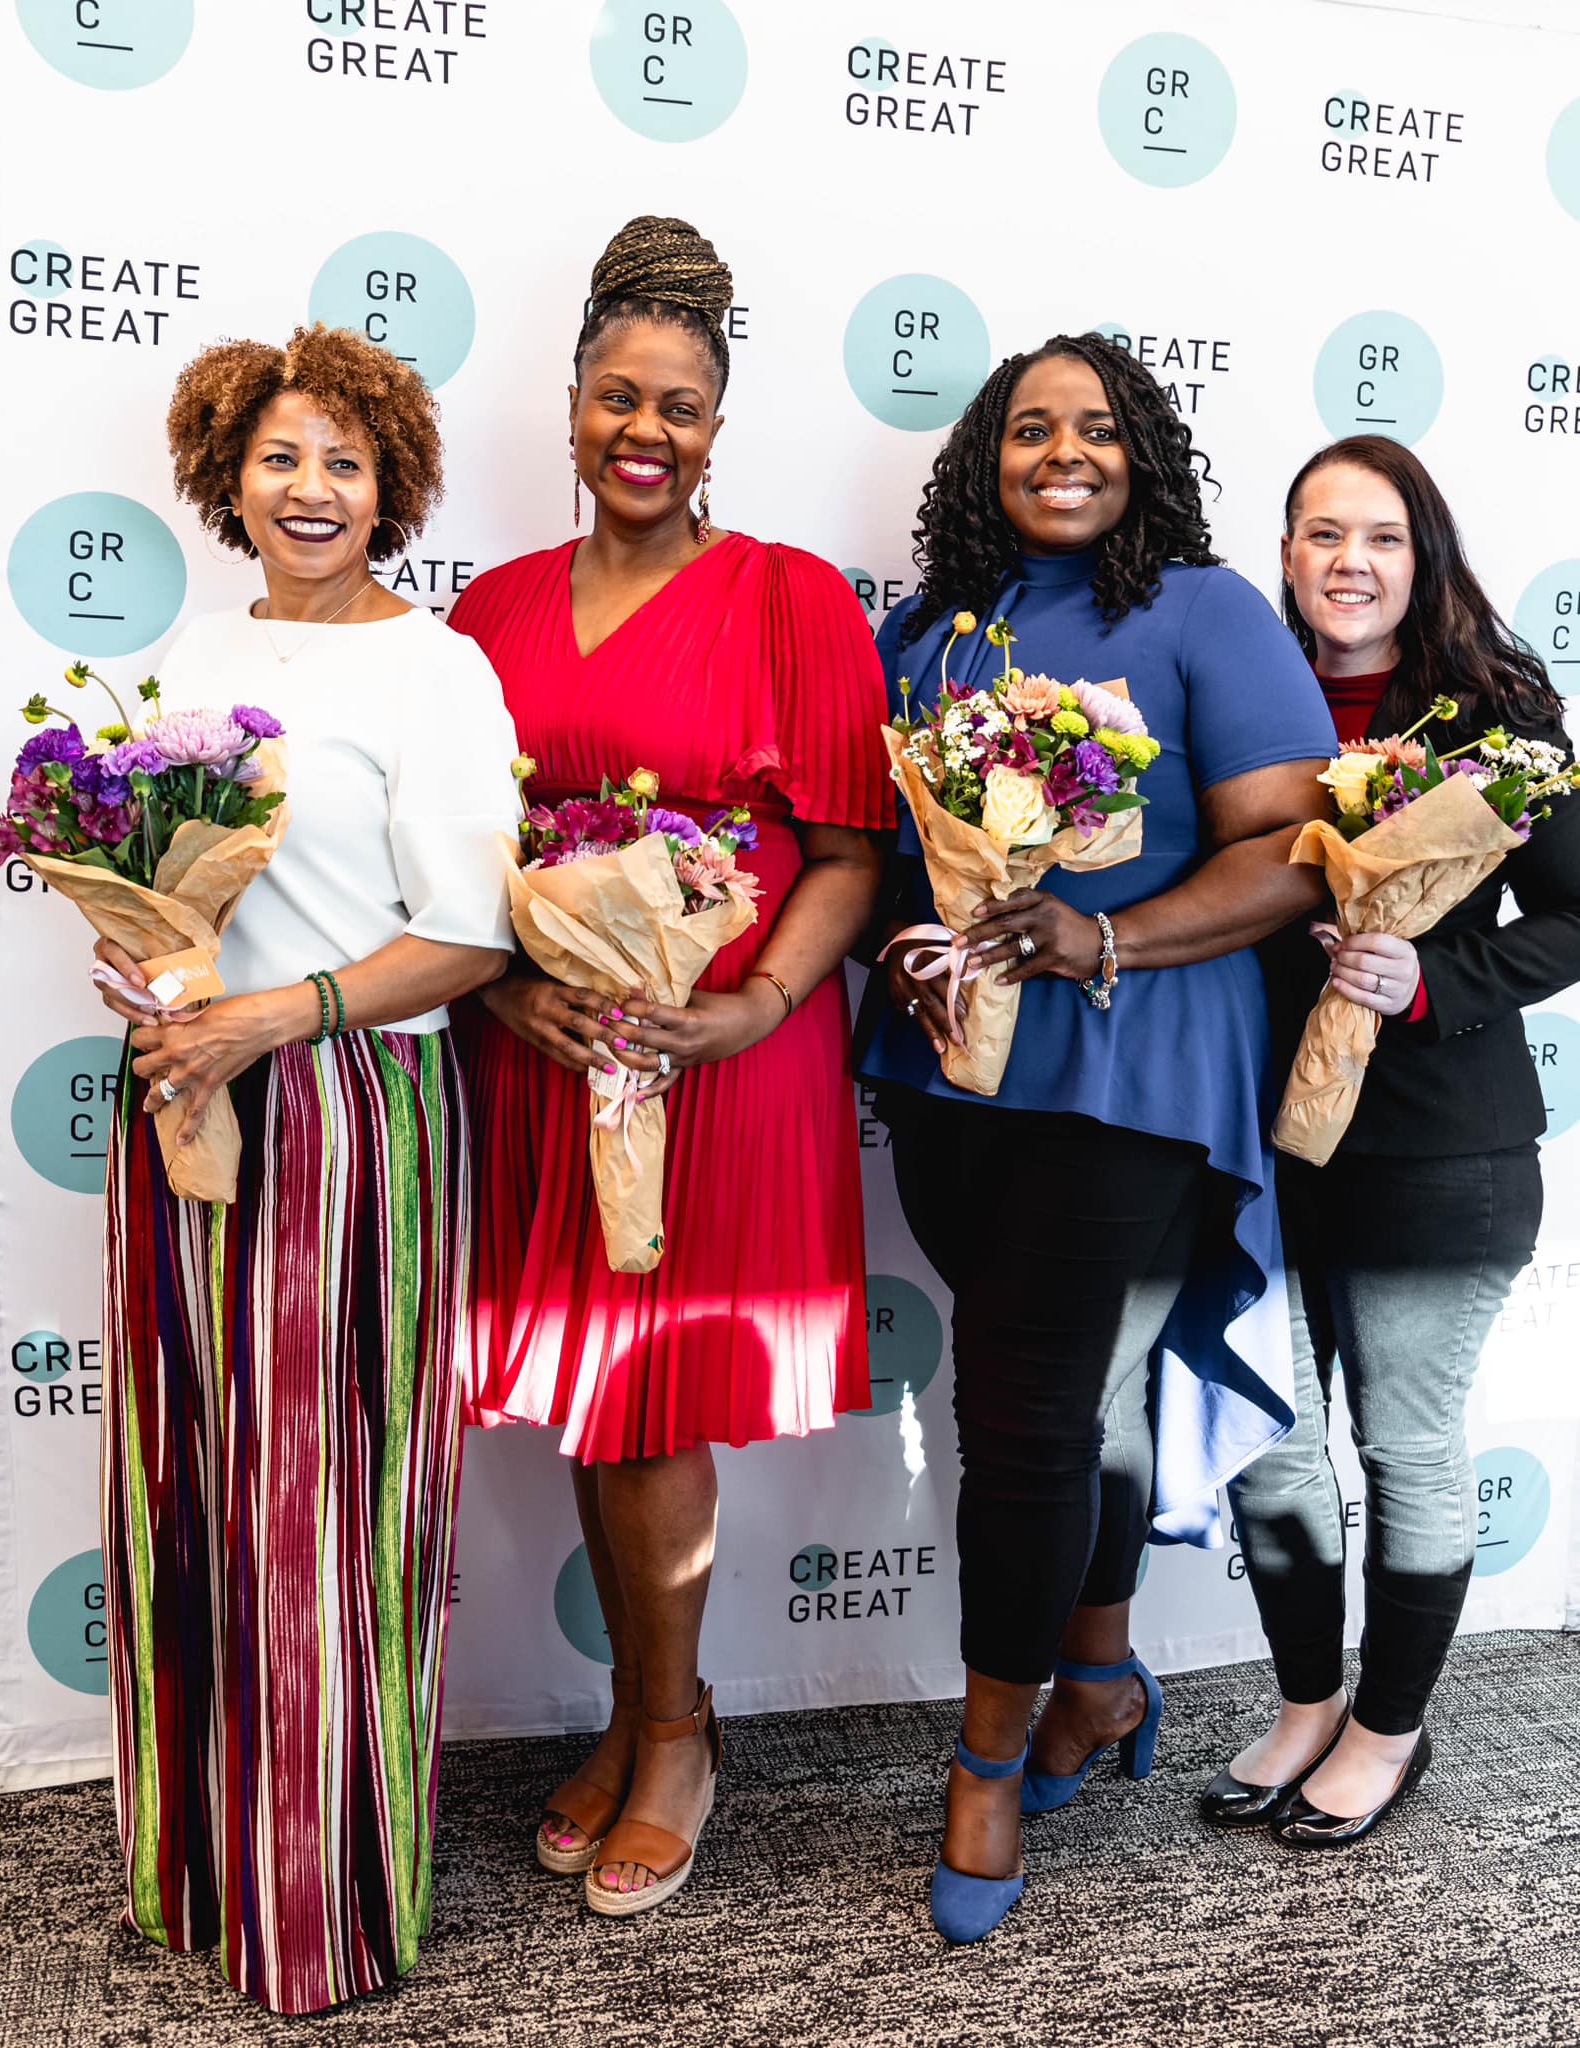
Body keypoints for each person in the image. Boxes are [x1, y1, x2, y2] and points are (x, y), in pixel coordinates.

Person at [858, 333, 1336, 1942]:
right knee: (1073, 1403)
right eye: (1027, 430)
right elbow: (887, 858)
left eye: (1098, 427)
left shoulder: (1202, 613)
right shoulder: (928, 629)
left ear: (1145, 452)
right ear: (982, 460)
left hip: (1135, 1075)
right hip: (950, 1080)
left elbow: (1294, 848)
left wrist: (1102, 937)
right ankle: (1096, 1679)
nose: (1063, 452)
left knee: (1024, 1419)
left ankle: (986, 1766)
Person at [448, 216, 892, 1917]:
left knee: (649, 1409)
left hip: (723, 1054)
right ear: (568, 409)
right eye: (616, 397)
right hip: (554, 1050)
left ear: (719, 425)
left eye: (681, 405)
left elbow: (850, 853)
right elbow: (452, 866)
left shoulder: (788, 600)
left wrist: (753, 1005)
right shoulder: (487, 611)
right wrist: (502, 1003)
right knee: (594, 1398)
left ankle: (673, 1733)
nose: (645, 430)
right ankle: (652, 1720)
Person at [92, 325, 519, 2014]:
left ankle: (321, 1904)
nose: (311, 488)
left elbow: (471, 936)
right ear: (229, 475)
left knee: (331, 1513)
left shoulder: (437, 670)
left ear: (391, 487)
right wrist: (147, 977)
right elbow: (146, 878)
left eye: (344, 461)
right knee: (188, 1489)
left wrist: (266, 1017)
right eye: (280, 457)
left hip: (351, 1116)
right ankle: (197, 1870)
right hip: (188, 1099)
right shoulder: (191, 648)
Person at [1204, 436, 1580, 1845]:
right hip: (1252, 1137)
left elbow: (1571, 914)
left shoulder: (1495, 711)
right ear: (1285, 554)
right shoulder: (1240, 701)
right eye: (1316, 534)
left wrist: (1429, 982)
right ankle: (1304, 1703)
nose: (1344, 561)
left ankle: (1385, 1727)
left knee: (1407, 1445)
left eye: (1376, 536)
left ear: (1419, 554)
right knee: (1274, 1445)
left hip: (1441, 1144)